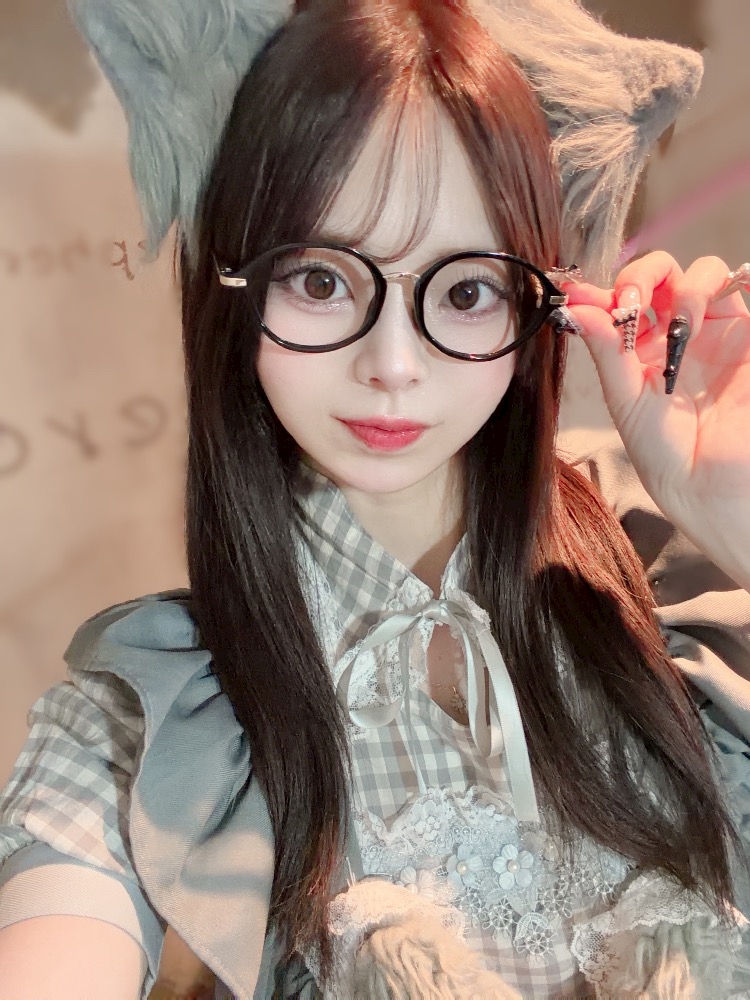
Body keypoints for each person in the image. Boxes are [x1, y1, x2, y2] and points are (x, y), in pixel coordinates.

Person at [1, 0, 750, 997]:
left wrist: (736, 523)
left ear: (539, 301)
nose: (392, 364)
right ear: (232, 285)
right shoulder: (150, 721)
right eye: (319, 279)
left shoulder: (681, 587)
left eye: (467, 289)